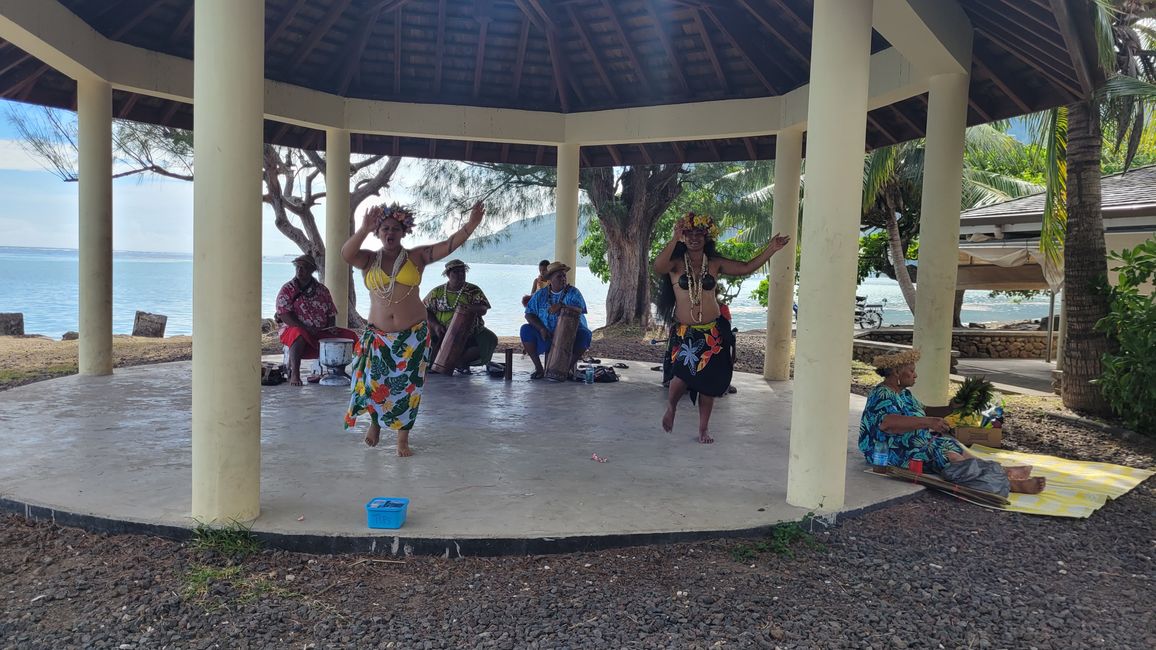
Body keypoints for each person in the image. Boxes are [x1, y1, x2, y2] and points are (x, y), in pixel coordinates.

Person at [341, 201, 485, 456]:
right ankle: (375, 424)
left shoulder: (416, 257)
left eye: (395, 228)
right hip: (379, 336)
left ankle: (402, 440)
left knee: (409, 388)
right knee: (375, 384)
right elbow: (346, 254)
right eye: (385, 228)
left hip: (412, 338)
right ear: (378, 231)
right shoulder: (368, 260)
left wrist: (471, 225)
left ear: (404, 231)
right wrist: (363, 228)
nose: (390, 233)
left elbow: (448, 245)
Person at [653, 212, 790, 444]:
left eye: (699, 234)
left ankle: (703, 429)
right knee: (681, 375)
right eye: (689, 234)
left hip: (713, 331)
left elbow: (746, 267)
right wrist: (675, 238)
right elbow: (658, 266)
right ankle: (672, 407)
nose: (694, 238)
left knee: (710, 382)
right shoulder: (675, 263)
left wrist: (771, 249)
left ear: (707, 237)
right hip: (687, 331)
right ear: (684, 236)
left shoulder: (714, 263)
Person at [859, 348, 1045, 494]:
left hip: (915, 443)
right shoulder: (882, 393)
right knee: (949, 456)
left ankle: (1002, 471)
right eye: (911, 371)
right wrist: (929, 422)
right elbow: (888, 423)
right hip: (888, 451)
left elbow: (925, 411)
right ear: (897, 373)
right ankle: (1010, 484)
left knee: (953, 446)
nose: (915, 375)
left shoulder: (905, 394)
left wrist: (951, 407)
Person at [275, 254, 359, 386]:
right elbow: (284, 314)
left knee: (350, 336)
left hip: (320, 331)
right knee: (298, 334)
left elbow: (331, 312)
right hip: (294, 329)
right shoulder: (288, 289)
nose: (300, 271)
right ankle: (295, 375)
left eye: (303, 268)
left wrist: (331, 328)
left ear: (312, 270)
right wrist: (305, 328)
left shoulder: (322, 290)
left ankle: (339, 370)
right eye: (298, 267)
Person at [423, 259, 498, 373]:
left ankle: (461, 362)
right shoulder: (437, 292)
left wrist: (469, 308)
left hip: (470, 332)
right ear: (448, 274)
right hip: (442, 332)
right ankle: (438, 362)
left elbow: (483, 309)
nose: (460, 275)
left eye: (462, 272)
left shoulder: (473, 290)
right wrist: (436, 326)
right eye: (456, 272)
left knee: (490, 339)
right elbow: (425, 309)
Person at [521, 260, 591, 380]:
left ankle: (565, 369)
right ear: (551, 279)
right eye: (559, 276)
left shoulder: (573, 292)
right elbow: (529, 314)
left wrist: (562, 306)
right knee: (525, 330)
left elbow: (580, 310)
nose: (563, 278)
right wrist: (541, 328)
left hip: (570, 335)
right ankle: (539, 369)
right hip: (546, 335)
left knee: (586, 335)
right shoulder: (540, 295)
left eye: (564, 275)